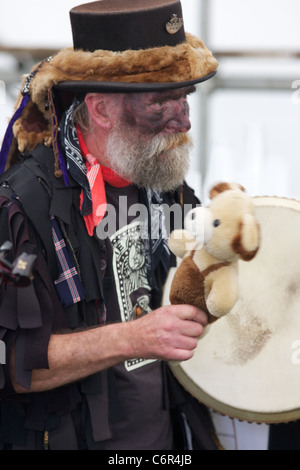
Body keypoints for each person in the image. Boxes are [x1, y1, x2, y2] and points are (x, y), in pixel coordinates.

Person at [0, 0, 220, 450]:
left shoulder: (165, 185)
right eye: (162, 103)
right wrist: (133, 337)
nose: (184, 120)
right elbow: (14, 366)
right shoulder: (22, 206)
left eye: (184, 98)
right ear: (100, 109)